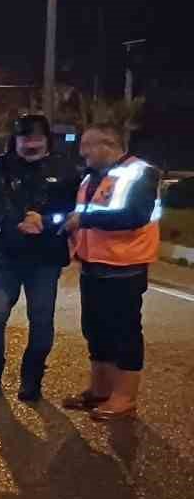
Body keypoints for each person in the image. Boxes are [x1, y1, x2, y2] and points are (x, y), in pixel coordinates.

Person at [0, 113, 80, 400]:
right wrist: (15, 218)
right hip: (2, 257)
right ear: (14, 139)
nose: (31, 143)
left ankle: (32, 382)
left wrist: (46, 220)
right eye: (25, 137)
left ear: (47, 140)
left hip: (45, 259)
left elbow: (75, 209)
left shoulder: (65, 170)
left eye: (37, 137)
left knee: (41, 321)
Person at [62, 123, 161, 420]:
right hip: (93, 266)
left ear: (107, 144)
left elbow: (136, 216)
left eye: (87, 146)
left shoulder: (140, 173)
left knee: (125, 333)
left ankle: (124, 398)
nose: (82, 153)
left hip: (125, 269)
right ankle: (100, 390)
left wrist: (85, 219)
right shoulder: (91, 177)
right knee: (95, 330)